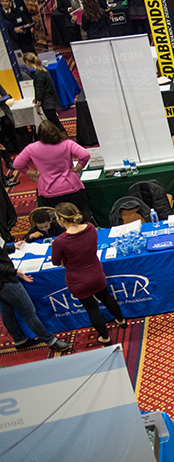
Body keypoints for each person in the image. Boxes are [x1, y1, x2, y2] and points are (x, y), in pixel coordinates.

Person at [51, 202, 126, 345]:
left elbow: (55, 262)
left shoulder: (60, 241)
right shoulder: (90, 228)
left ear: (61, 219)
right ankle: (121, 320)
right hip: (96, 274)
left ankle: (105, 337)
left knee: (92, 308)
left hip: (78, 281)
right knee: (106, 297)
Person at [14, 120, 91, 226]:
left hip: (49, 190)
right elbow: (85, 155)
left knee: (56, 220)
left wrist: (34, 173)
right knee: (81, 216)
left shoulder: (32, 148)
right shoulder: (67, 143)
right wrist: (78, 167)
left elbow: (17, 164)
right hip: (71, 186)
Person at [22, 53, 66, 134]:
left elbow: (40, 91)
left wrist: (38, 105)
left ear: (27, 62)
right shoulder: (42, 69)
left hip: (47, 103)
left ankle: (64, 138)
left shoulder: (38, 75)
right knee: (54, 122)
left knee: (54, 123)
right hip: (50, 99)